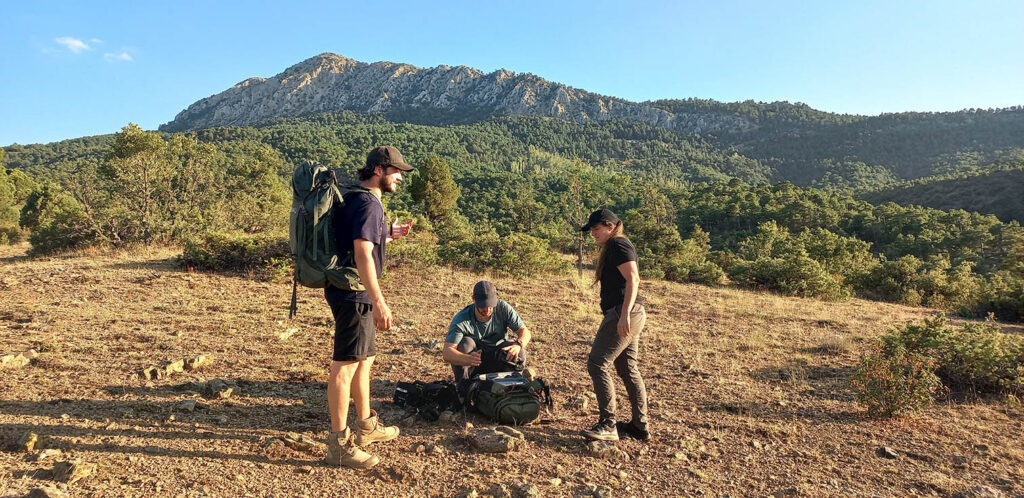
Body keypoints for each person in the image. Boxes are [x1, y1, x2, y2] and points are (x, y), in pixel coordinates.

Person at [324, 146, 415, 469]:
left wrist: (389, 235)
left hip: (351, 290)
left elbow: (361, 241)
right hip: (354, 293)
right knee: (345, 365)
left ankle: (365, 426)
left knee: (365, 360)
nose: (400, 177)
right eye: (396, 171)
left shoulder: (357, 200)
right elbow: (362, 253)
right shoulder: (368, 204)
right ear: (379, 170)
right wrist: (379, 300)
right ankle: (338, 445)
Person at [581, 208, 650, 442]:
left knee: (597, 363)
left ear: (610, 226)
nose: (593, 233)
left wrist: (624, 314)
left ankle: (608, 424)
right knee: (627, 368)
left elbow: (634, 278)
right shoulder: (617, 244)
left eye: (596, 228)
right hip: (631, 311)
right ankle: (639, 426)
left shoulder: (619, 245)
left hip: (625, 311)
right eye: (591, 229)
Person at [442, 281, 532, 391]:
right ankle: (464, 389)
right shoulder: (462, 319)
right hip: (474, 363)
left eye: (491, 305)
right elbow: (447, 352)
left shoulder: (503, 308)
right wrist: (467, 358)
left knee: (519, 350)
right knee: (465, 344)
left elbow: (525, 331)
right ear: (474, 299)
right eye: (483, 306)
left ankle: (513, 387)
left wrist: (518, 344)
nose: (487, 310)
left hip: (498, 358)